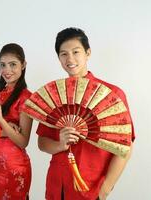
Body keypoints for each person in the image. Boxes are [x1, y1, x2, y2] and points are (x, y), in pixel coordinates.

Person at [36, 27, 135, 200]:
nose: (70, 59)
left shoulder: (111, 95)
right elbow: (42, 142)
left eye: (76, 52)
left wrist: (105, 188)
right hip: (56, 184)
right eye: (63, 54)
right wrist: (60, 144)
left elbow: (125, 147)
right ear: (58, 58)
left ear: (88, 53)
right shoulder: (55, 95)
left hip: (90, 186)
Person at [0, 43, 33, 199]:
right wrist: (7, 130)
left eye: (13, 64)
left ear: (23, 65)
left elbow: (23, 141)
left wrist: (1, 121)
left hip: (14, 167)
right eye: (3, 65)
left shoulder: (26, 98)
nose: (7, 70)